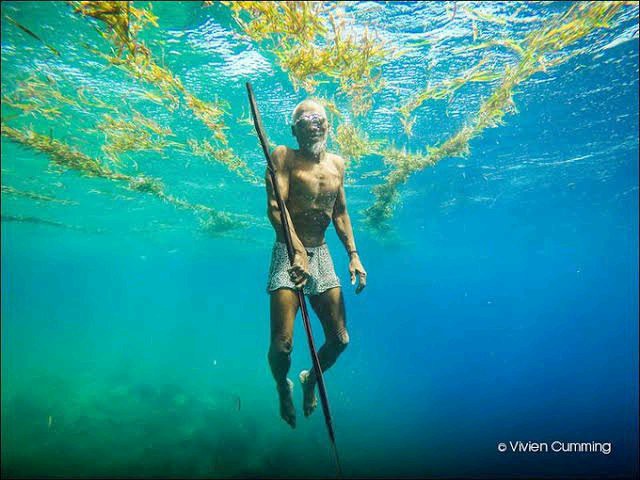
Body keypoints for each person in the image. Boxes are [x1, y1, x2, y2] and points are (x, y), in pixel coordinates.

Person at [265, 99, 367, 428]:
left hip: (320, 254)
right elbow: (275, 208)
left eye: (319, 118)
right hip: (287, 249)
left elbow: (339, 213)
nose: (314, 123)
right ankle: (283, 385)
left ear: (328, 124)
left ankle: (311, 379)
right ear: (294, 129)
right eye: (305, 119)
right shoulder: (284, 156)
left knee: (339, 340)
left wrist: (353, 254)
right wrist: (296, 250)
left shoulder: (338, 163)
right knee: (282, 346)